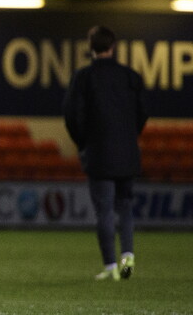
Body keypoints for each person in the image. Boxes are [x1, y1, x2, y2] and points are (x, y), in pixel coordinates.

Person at [62, 25, 149, 281]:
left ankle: (111, 266)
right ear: (113, 46)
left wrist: (83, 142)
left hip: (99, 153)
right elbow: (143, 112)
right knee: (126, 207)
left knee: (105, 210)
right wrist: (129, 138)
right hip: (127, 153)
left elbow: (71, 115)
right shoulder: (130, 76)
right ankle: (128, 255)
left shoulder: (83, 77)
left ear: (91, 47)